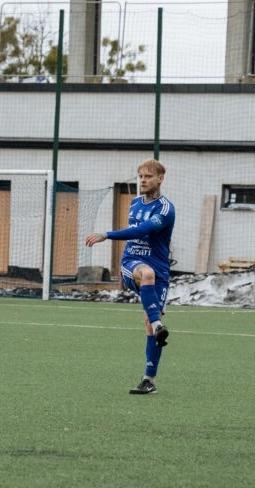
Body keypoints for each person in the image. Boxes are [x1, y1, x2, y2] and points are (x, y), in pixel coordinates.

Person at [85, 158, 175, 395]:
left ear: (160, 179)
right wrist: (108, 235)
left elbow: (145, 229)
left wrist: (107, 234)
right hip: (132, 263)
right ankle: (158, 324)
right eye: (141, 176)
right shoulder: (135, 204)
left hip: (160, 271)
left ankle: (148, 380)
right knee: (147, 274)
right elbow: (137, 234)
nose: (143, 180)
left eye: (148, 176)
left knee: (149, 326)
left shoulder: (166, 209)